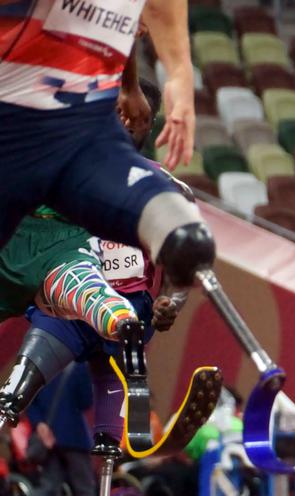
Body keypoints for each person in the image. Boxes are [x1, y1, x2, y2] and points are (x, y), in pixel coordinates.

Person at [0, 77, 185, 446]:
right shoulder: (68, 165)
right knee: (16, 390)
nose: (126, 121)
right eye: (117, 112)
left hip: (128, 308)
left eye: (137, 115)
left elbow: (181, 267)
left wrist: (172, 302)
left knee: (111, 434)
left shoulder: (163, 187)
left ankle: (118, 458)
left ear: (150, 123)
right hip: (65, 303)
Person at [7, 364, 94, 496]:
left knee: (49, 486)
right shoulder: (80, 364)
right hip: (74, 435)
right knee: (84, 488)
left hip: (48, 437)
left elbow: (29, 401)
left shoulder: (42, 365)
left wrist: (40, 425)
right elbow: (86, 400)